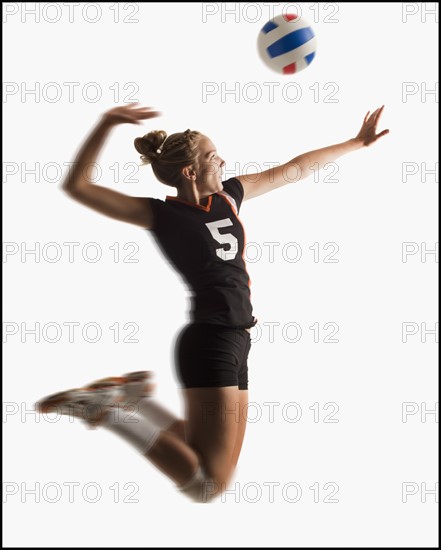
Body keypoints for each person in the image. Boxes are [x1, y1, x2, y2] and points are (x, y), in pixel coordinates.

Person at [36, 103, 389, 503]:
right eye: (211, 155)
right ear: (190, 172)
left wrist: (355, 143)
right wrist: (105, 123)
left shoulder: (230, 196)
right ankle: (108, 411)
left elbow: (295, 168)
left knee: (208, 467)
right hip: (210, 340)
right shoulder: (160, 214)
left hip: (237, 338)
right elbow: (77, 188)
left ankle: (135, 399)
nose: (222, 159)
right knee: (206, 485)